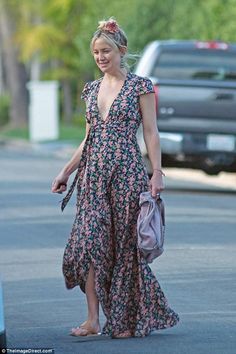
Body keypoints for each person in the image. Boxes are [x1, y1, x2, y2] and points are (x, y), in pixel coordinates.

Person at [52, 18, 179, 338]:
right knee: (89, 244)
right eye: (95, 52)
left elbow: (151, 132)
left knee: (124, 248)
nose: (100, 57)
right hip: (93, 178)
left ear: (121, 50)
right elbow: (88, 138)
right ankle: (92, 319)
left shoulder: (141, 86)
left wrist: (157, 173)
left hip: (127, 175)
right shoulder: (91, 89)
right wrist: (66, 171)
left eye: (106, 51)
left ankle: (122, 319)